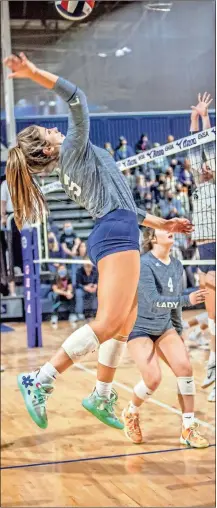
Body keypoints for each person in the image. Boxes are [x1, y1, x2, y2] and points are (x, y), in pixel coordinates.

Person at [4, 52, 193, 431]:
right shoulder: (73, 150)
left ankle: (101, 393)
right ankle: (39, 380)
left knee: (127, 319)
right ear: (46, 149)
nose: (57, 130)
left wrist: (163, 223)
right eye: (48, 132)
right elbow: (77, 98)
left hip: (116, 227)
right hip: (116, 233)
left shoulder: (75, 165)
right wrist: (32, 73)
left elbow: (126, 206)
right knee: (109, 322)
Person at [121, 227, 209, 448]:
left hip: (164, 326)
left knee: (185, 368)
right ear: (152, 238)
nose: (170, 230)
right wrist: (187, 299)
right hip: (139, 328)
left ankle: (188, 428)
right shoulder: (144, 264)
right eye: (164, 228)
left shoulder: (177, 265)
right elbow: (153, 300)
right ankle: (131, 412)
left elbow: (174, 309)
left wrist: (178, 335)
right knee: (153, 378)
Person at [190, 92, 216, 402]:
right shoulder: (199, 183)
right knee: (212, 314)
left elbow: (208, 146)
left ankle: (213, 363)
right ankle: (212, 362)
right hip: (204, 249)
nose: (205, 167)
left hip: (215, 246)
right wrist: (194, 119)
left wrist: (206, 119)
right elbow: (195, 148)